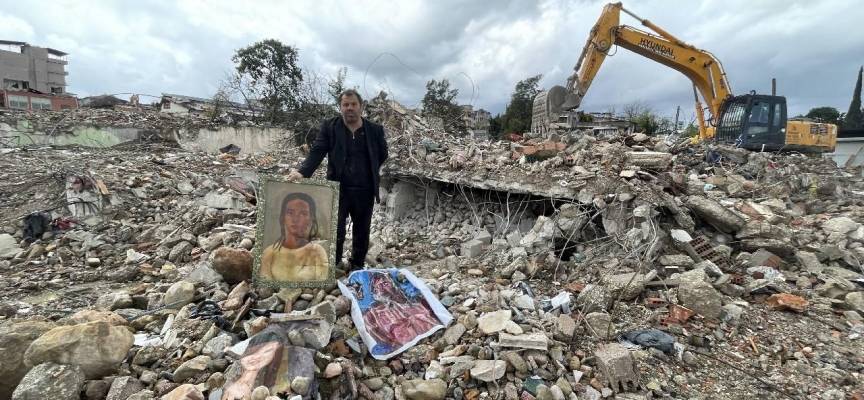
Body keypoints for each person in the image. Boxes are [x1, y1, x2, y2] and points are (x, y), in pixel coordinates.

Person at [288, 89, 388, 271]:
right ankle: (335, 264)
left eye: (353, 104)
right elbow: (318, 150)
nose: (350, 108)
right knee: (336, 230)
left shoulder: (374, 130)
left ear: (361, 106)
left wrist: (368, 170)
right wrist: (303, 172)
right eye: (345, 105)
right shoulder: (330, 127)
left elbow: (382, 154)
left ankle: (357, 263)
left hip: (365, 190)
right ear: (340, 107)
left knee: (362, 230)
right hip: (337, 188)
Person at [260, 192, 328, 281]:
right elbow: (265, 286)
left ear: (311, 218)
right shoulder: (269, 253)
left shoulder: (316, 251)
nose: (295, 219)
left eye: (303, 214)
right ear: (282, 217)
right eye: (290, 213)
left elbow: (322, 283)